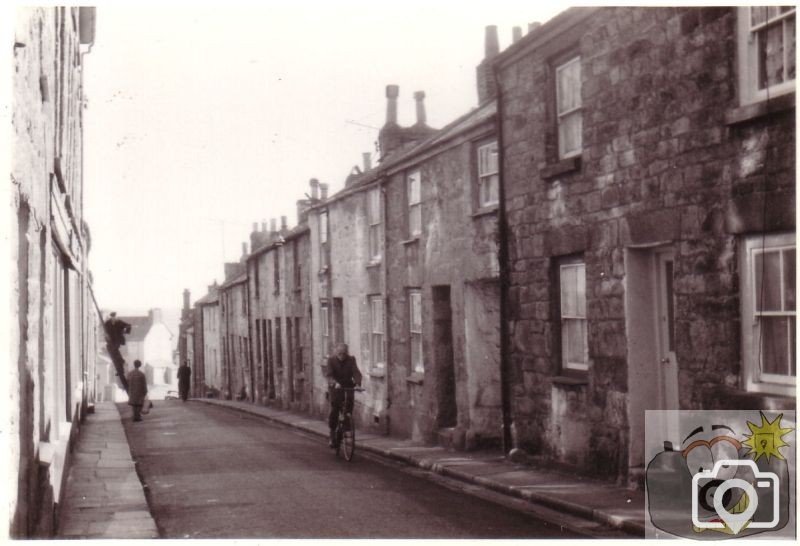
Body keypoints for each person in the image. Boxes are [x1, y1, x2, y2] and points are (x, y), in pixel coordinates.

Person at [326, 343, 362, 448]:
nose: (342, 356)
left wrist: (358, 384)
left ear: (347, 353)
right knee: (335, 409)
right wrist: (334, 383)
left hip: (347, 387)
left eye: (344, 353)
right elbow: (329, 375)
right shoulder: (331, 360)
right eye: (340, 353)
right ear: (336, 353)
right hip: (335, 388)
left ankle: (346, 430)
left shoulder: (351, 360)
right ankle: (332, 434)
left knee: (348, 408)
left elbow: (356, 372)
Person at [104, 312, 132, 391]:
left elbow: (129, 325)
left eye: (115, 317)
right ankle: (119, 367)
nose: (114, 318)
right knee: (115, 355)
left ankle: (120, 366)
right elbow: (104, 330)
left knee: (116, 353)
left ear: (116, 317)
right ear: (111, 317)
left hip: (118, 341)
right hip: (111, 341)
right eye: (112, 317)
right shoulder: (107, 323)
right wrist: (106, 337)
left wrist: (125, 331)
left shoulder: (119, 322)